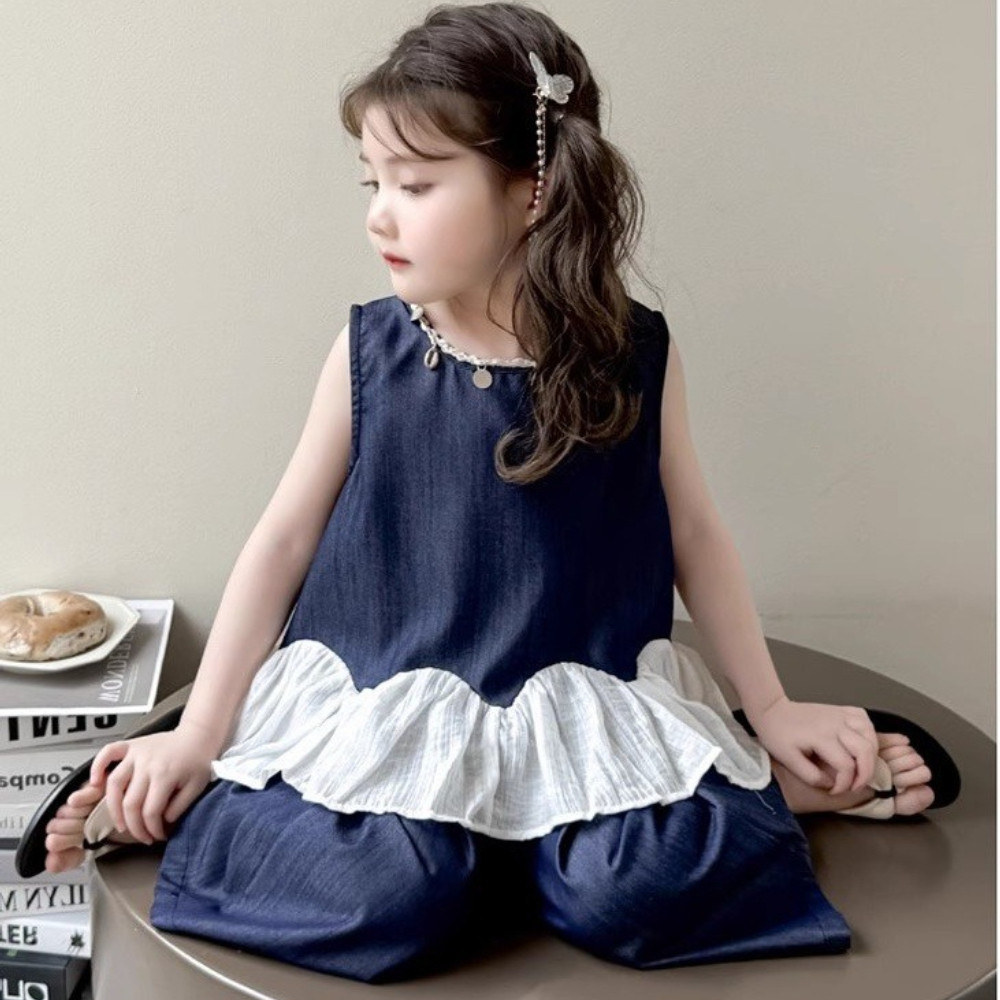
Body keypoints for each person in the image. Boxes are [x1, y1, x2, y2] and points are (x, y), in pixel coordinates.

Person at [39, 1, 957, 984]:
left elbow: (692, 530)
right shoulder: (372, 351)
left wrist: (768, 707)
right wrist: (200, 733)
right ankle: (226, 791)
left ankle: (741, 781)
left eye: (416, 184)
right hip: (391, 691)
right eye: (374, 183)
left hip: (574, 693)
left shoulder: (632, 353)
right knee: (385, 892)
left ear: (534, 189)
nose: (379, 214)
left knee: (634, 889)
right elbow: (282, 543)